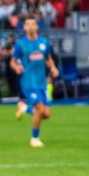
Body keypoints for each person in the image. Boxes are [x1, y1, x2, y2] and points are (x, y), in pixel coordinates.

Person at [11, 17, 59, 147]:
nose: (30, 26)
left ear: (37, 27)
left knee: (46, 114)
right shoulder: (20, 44)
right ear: (24, 28)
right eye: (27, 24)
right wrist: (16, 67)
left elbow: (48, 58)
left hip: (41, 82)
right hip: (28, 82)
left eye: (33, 24)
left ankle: (24, 107)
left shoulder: (45, 42)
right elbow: (13, 61)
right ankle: (34, 138)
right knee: (39, 108)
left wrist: (53, 68)